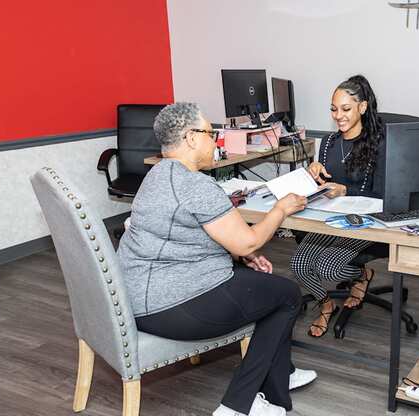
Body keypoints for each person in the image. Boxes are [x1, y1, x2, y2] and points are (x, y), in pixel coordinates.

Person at [117, 102, 317, 416]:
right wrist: (280, 209)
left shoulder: (156, 174)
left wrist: (244, 255)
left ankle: (279, 379)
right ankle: (238, 405)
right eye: (212, 134)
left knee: (267, 290)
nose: (217, 141)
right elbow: (247, 238)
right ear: (191, 138)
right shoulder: (195, 184)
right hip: (173, 305)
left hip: (139, 298)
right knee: (288, 295)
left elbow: (191, 236)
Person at [290, 75, 386, 337]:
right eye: (334, 109)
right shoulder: (329, 143)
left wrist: (347, 190)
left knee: (328, 267)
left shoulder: (380, 144)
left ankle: (363, 275)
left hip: (363, 222)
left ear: (362, 108)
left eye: (345, 109)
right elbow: (323, 186)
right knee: (298, 265)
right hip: (330, 220)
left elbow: (383, 195)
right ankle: (326, 303)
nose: (338, 115)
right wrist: (313, 174)